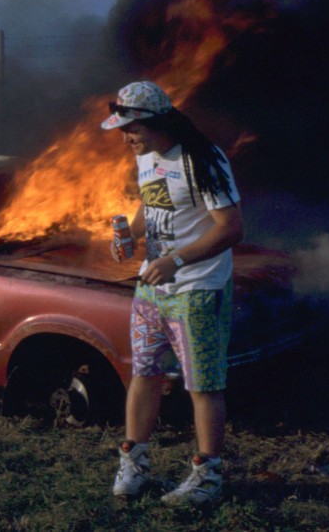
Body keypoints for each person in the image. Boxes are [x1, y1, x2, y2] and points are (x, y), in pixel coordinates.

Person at [101, 81, 243, 507]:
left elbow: (231, 227)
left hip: (197, 291)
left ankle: (208, 477)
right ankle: (135, 465)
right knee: (144, 373)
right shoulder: (147, 158)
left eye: (131, 130)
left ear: (155, 123)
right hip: (152, 289)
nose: (125, 138)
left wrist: (177, 261)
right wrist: (133, 237)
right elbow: (154, 203)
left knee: (203, 386)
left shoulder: (202, 159)